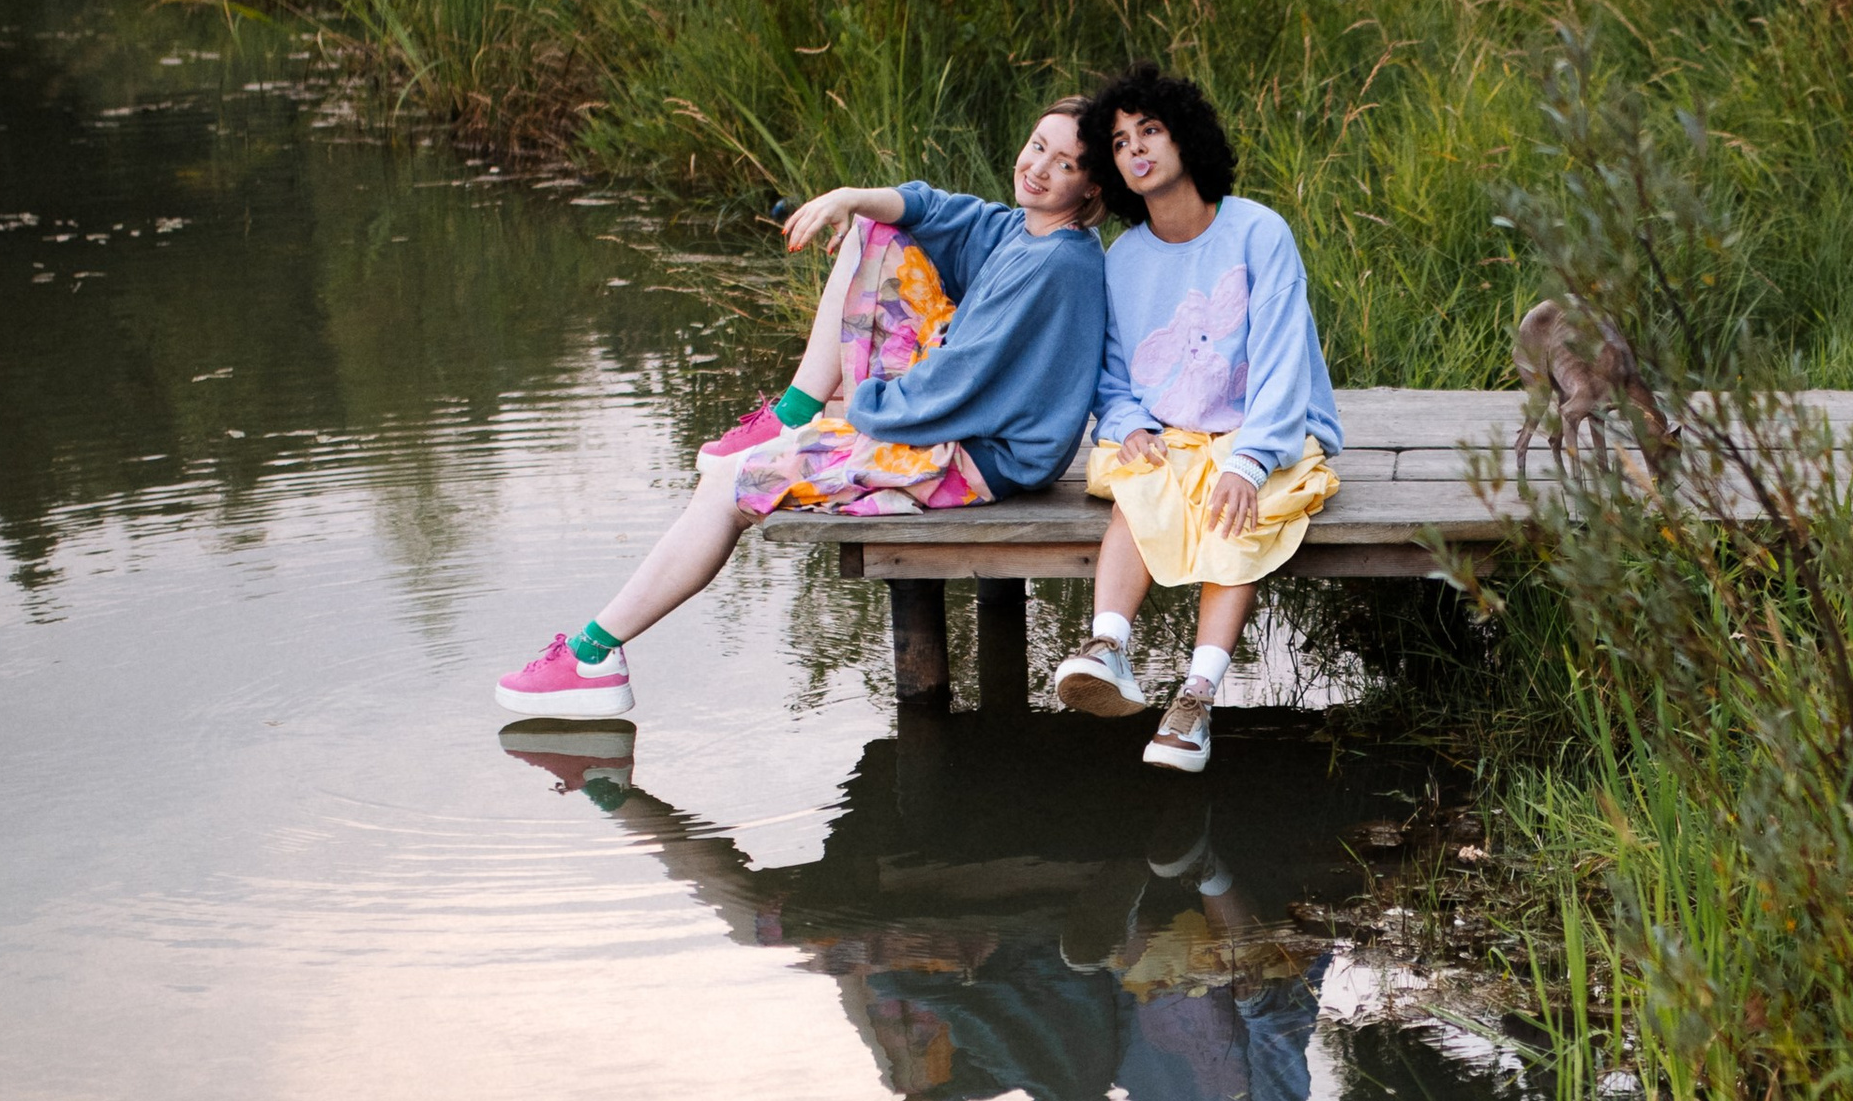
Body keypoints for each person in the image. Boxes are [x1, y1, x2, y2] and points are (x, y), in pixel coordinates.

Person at [493, 100, 1106, 719]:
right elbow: (945, 213)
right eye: (1037, 145)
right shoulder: (1029, 234)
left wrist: (860, 408)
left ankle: (595, 658)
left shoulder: (1056, 264)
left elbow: (965, 380)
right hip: (962, 420)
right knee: (875, 228)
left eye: (1065, 163)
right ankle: (794, 411)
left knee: (732, 485)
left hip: (973, 457)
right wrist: (851, 196)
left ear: (1090, 188)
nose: (1038, 168)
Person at [1050, 65, 1342, 775]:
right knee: (1139, 479)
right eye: (1119, 142)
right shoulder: (1123, 260)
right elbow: (1113, 377)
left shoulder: (1258, 232)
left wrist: (1247, 461)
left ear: (1185, 135)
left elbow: (1281, 363)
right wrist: (1127, 423)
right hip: (1178, 429)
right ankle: (1108, 647)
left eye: (1149, 130)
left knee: (1241, 508)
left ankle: (1196, 699)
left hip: (1269, 428)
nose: (1137, 149)